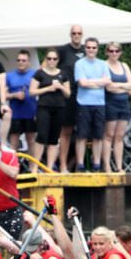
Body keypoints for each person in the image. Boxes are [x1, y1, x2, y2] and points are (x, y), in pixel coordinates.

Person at [29, 49, 70, 172]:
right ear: (46, 59)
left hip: (59, 107)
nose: (51, 61)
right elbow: (32, 92)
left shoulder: (63, 74)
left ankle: (50, 167)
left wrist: (61, 87)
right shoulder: (39, 73)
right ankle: (35, 167)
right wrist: (48, 88)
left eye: (54, 59)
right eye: (49, 58)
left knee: (54, 138)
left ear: (58, 61)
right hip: (44, 107)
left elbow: (68, 94)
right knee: (41, 136)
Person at [74, 37, 111, 172]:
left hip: (100, 103)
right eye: (88, 47)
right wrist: (98, 82)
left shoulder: (103, 64)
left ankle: (96, 164)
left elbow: (107, 81)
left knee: (98, 135)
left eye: (94, 47)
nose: (91, 50)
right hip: (83, 103)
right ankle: (80, 165)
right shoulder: (79, 64)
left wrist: (91, 82)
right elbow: (82, 83)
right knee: (82, 135)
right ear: (85, 48)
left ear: (97, 49)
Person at [57, 25, 86, 173]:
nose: (76, 35)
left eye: (79, 33)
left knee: (83, 132)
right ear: (70, 34)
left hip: (85, 95)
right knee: (66, 132)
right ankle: (62, 165)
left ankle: (78, 165)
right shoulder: (62, 50)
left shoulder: (87, 50)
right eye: (74, 33)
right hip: (68, 95)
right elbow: (48, 67)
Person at [101, 42, 131, 173]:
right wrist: (123, 86)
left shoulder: (124, 65)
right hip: (110, 103)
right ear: (107, 52)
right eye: (111, 50)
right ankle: (107, 166)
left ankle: (119, 166)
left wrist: (118, 86)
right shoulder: (104, 65)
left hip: (124, 104)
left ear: (120, 52)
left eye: (116, 51)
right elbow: (108, 87)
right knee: (108, 135)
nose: (114, 53)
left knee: (120, 136)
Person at [6, 49, 37, 151]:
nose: (21, 62)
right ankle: (13, 165)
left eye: (24, 60)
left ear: (28, 62)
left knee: (31, 140)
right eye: (19, 60)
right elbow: (3, 95)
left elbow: (41, 91)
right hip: (15, 113)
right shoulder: (9, 76)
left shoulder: (35, 75)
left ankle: (32, 166)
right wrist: (14, 95)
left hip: (30, 112)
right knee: (13, 141)